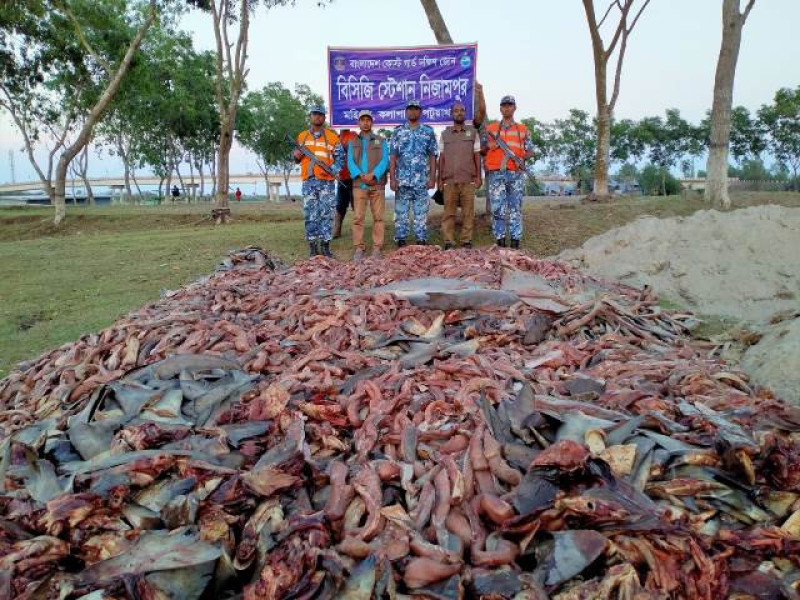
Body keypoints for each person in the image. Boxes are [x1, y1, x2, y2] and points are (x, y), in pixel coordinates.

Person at [481, 95, 535, 248]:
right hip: (496, 174)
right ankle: (500, 241)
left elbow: (531, 151)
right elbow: (482, 150)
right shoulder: (491, 128)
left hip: (515, 174)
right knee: (497, 208)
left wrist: (520, 157)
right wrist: (491, 147)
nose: (507, 108)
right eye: (504, 105)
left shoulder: (523, 129)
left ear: (514, 108)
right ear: (500, 108)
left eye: (510, 105)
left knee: (515, 208)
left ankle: (515, 242)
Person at [292, 105, 344, 257]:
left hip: (326, 182)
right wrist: (296, 155)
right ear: (310, 116)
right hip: (309, 181)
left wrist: (332, 169)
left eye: (320, 114)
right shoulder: (302, 137)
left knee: (326, 214)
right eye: (315, 114)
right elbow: (296, 158)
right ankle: (313, 248)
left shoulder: (332, 136)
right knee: (310, 214)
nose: (318, 117)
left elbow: (340, 157)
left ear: (324, 118)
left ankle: (326, 246)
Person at [389, 99, 438, 246]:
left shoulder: (428, 132)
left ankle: (421, 239)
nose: (413, 111)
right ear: (406, 112)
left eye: (416, 109)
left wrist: (432, 178)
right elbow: (392, 156)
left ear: (420, 112)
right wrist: (392, 178)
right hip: (402, 180)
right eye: (410, 109)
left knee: (421, 213)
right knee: (401, 213)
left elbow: (433, 156)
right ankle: (401, 240)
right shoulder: (398, 131)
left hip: (421, 180)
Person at [347, 110, 390, 260]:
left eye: (368, 120)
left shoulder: (381, 140)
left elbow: (385, 160)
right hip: (359, 185)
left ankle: (377, 248)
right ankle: (359, 248)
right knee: (358, 218)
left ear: (372, 122)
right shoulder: (352, 142)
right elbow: (350, 162)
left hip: (376, 184)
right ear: (358, 122)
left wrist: (374, 174)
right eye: (362, 120)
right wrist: (360, 175)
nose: (365, 122)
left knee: (378, 217)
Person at [438, 101, 482, 249]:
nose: (459, 113)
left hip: (468, 179)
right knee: (448, 213)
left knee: (468, 213)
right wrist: (439, 179)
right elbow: (441, 158)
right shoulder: (445, 134)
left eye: (462, 110)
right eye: (456, 111)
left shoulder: (472, 133)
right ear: (452, 114)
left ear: (465, 113)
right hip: (449, 180)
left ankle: (466, 240)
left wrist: (478, 176)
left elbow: (477, 156)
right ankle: (448, 241)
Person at [334, 128, 356, 239]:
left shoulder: (354, 135)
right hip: (342, 178)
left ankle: (356, 230)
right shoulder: (336, 138)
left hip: (354, 177)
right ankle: (337, 230)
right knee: (340, 205)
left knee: (355, 205)